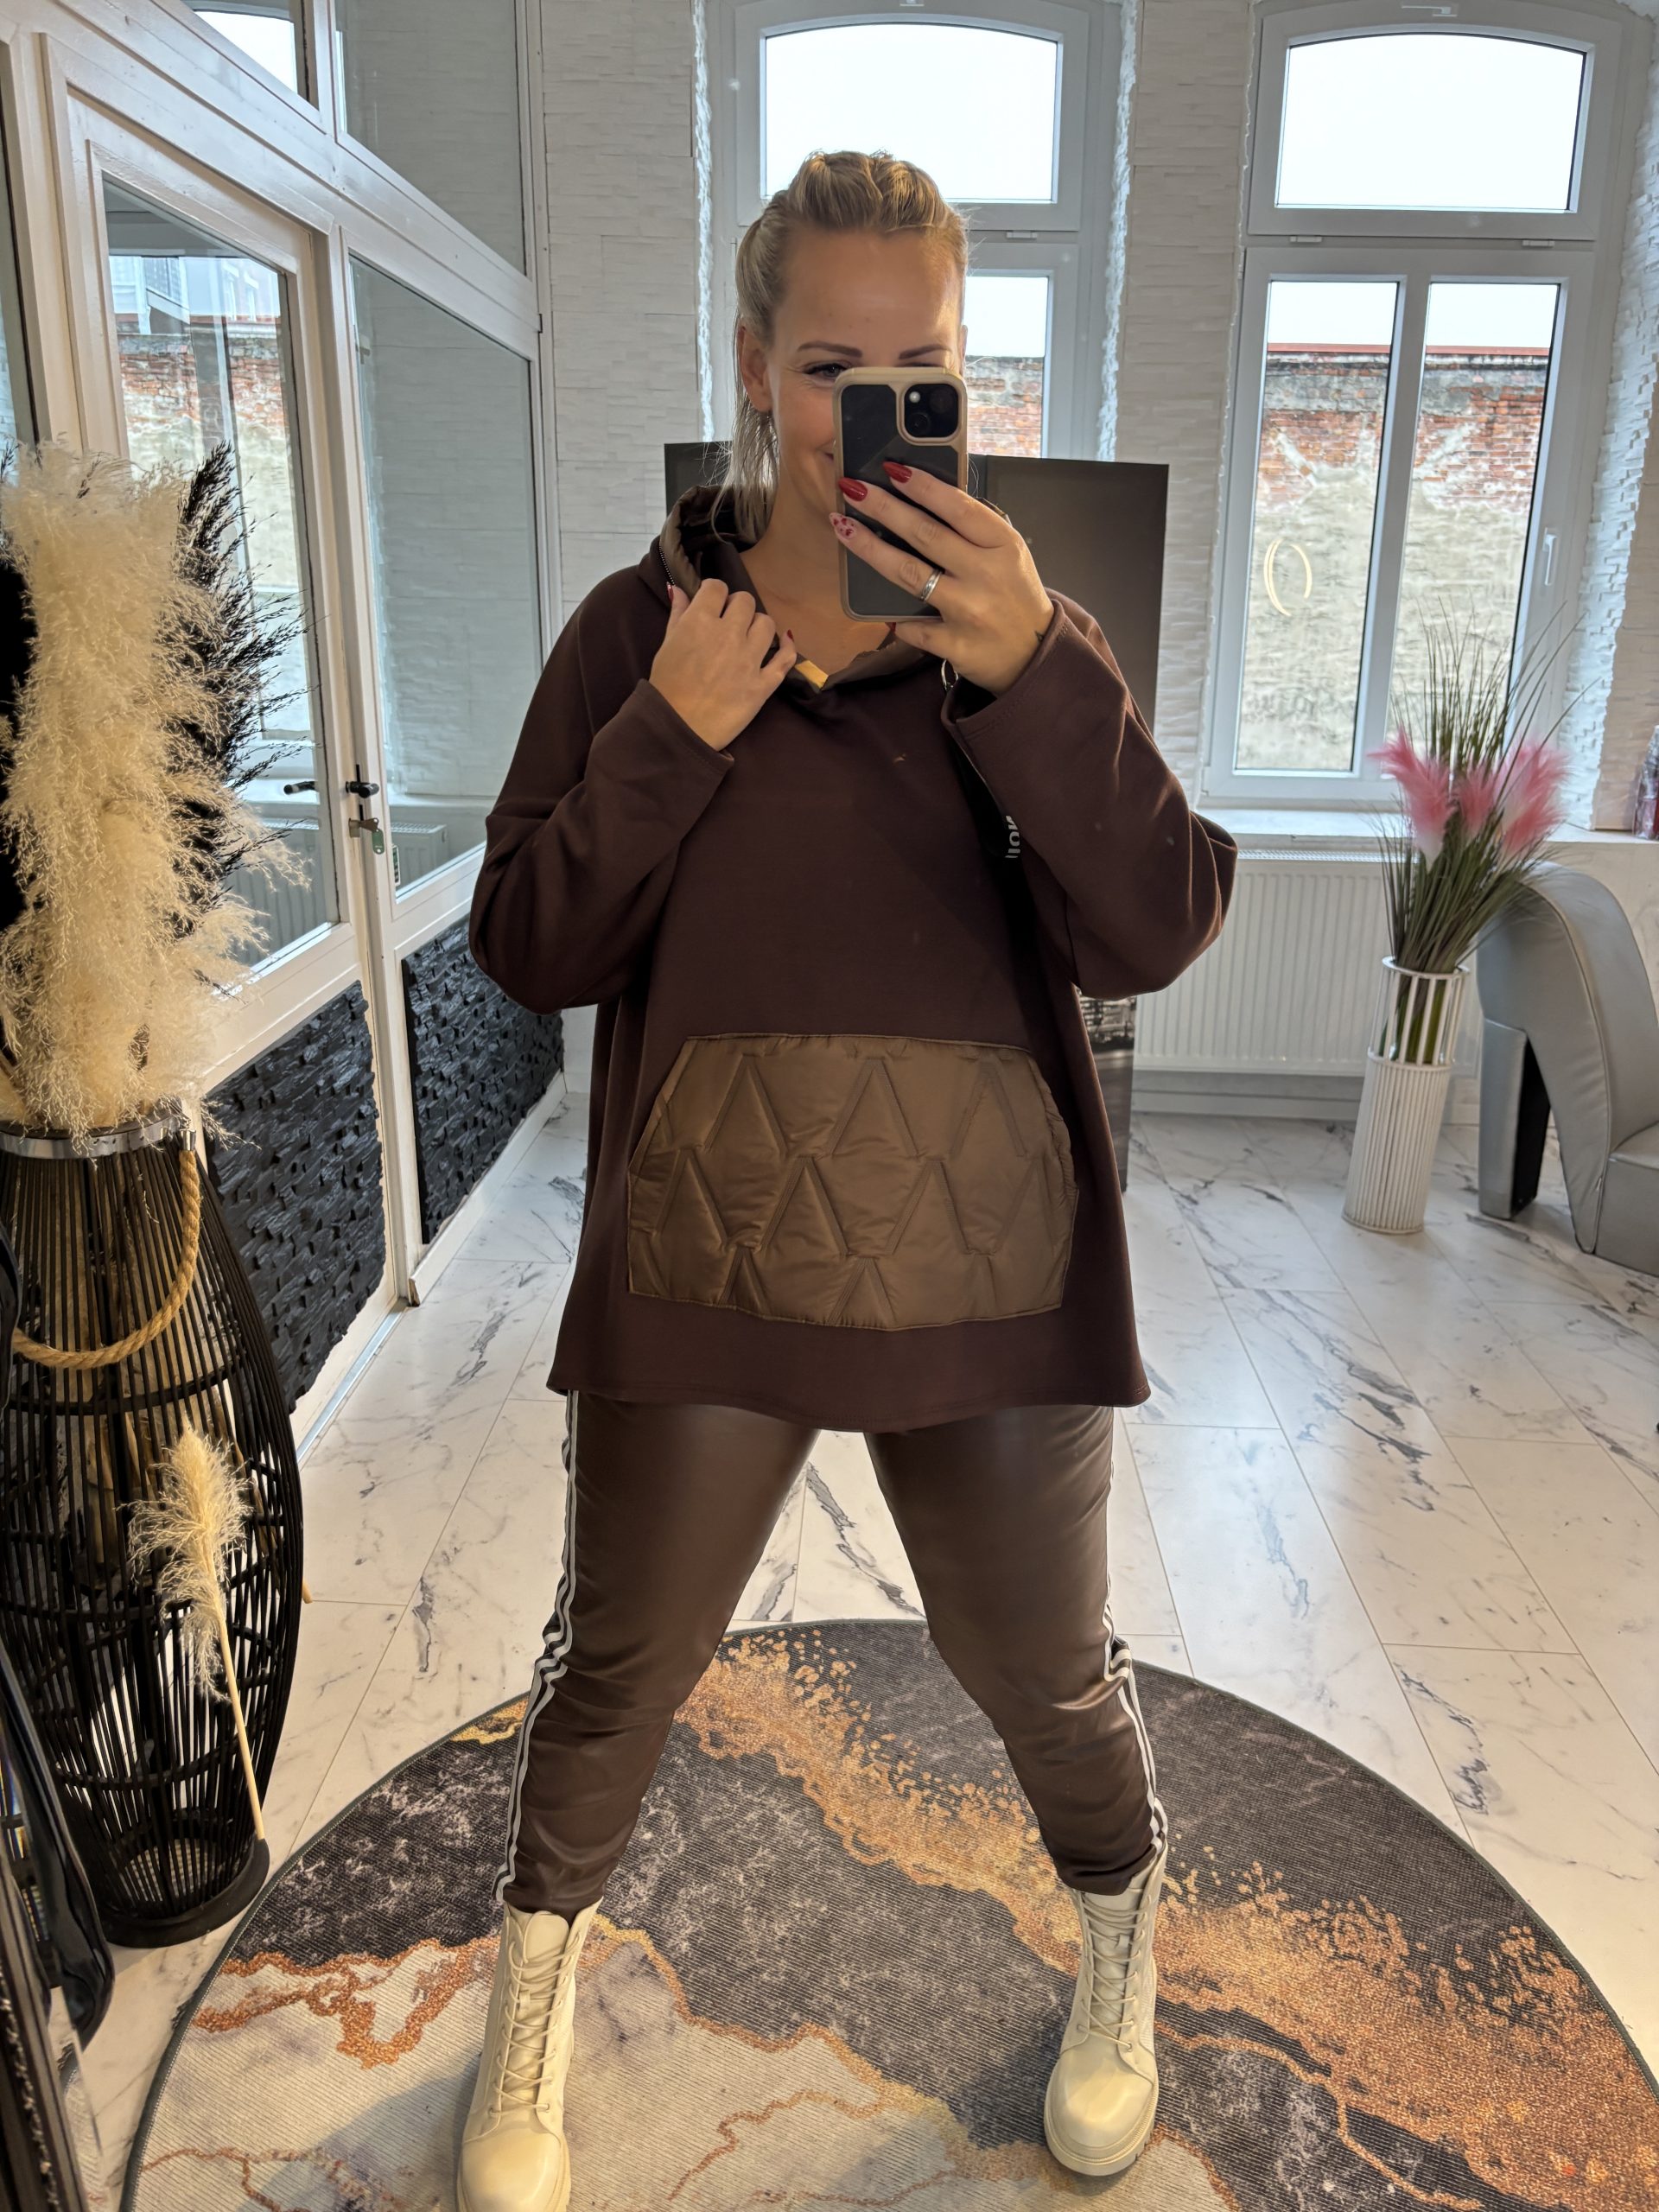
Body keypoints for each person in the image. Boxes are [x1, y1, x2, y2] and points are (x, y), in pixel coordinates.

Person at [459, 148, 1237, 2212]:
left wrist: (1035, 681)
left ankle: (1119, 1925)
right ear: (753, 363)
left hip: (988, 1265)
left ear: (967, 378)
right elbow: (529, 943)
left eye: (923, 370)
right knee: (620, 1667)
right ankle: (532, 1984)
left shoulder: (1027, 635)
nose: (870, 412)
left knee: (1043, 1669)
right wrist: (670, 732)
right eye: (829, 366)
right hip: (704, 1259)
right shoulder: (641, 630)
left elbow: (1160, 923)